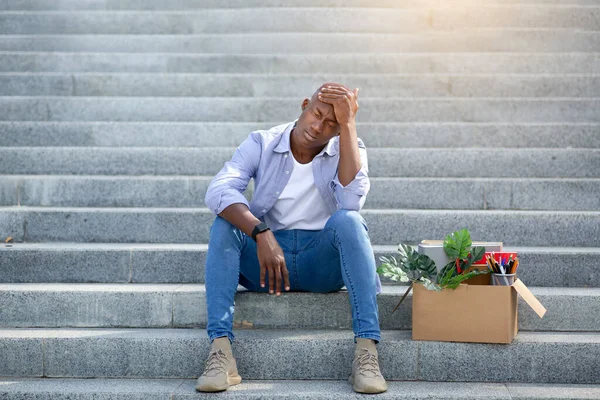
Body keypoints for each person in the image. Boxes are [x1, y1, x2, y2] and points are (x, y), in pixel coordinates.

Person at [196, 83, 387, 394]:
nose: (318, 127)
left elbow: (352, 202)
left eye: (331, 124)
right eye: (316, 114)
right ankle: (221, 352)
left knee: (349, 221)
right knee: (224, 222)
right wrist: (260, 232)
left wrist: (348, 124)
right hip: (268, 264)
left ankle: (366, 351)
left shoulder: (349, 146)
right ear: (303, 106)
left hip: (321, 264)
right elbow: (218, 190)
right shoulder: (262, 142)